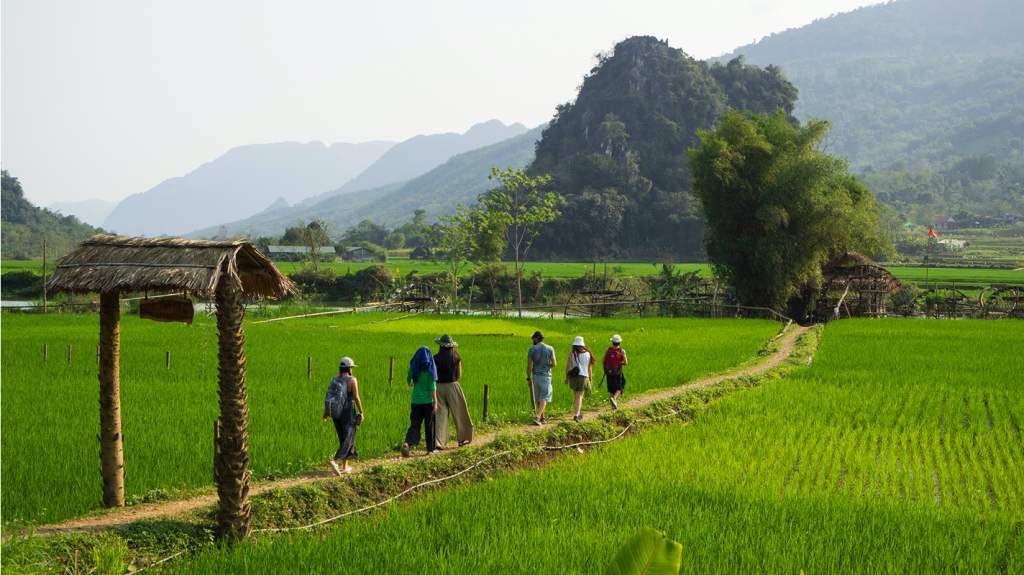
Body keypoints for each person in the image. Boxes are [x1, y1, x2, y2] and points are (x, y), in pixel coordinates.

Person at [322, 357, 364, 475]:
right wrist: (361, 412)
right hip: (348, 412)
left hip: (336, 412)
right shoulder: (352, 380)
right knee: (349, 438)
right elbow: (356, 397)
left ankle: (345, 466)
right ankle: (336, 461)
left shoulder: (335, 379)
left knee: (343, 438)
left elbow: (331, 396)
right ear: (349, 368)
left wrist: (326, 412)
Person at [433, 334, 474, 448]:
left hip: (438, 387)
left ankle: (438, 442)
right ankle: (463, 439)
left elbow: (433, 375)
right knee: (459, 412)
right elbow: (459, 375)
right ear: (451, 346)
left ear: (441, 346)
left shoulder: (435, 358)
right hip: (452, 386)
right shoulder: (457, 358)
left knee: (440, 415)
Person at [401, 346, 438, 457]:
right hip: (428, 401)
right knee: (429, 425)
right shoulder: (430, 368)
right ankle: (430, 450)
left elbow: (408, 379)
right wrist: (435, 402)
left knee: (415, 423)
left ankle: (407, 443)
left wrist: (411, 382)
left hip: (416, 401)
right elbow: (432, 387)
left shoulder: (413, 367)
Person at [526, 330, 556, 425]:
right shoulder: (550, 348)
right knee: (544, 397)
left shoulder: (531, 350)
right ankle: (538, 417)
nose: (533, 340)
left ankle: (542, 418)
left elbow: (529, 366)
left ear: (536, 339)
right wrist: (546, 366)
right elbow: (554, 364)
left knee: (538, 397)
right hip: (546, 376)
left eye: (533, 338)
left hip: (535, 376)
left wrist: (528, 378)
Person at [564, 336, 595, 422]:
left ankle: (578, 412)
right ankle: (576, 414)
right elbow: (589, 368)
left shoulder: (571, 352)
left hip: (573, 377)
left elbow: (568, 366)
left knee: (577, 396)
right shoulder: (588, 353)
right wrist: (590, 379)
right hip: (583, 376)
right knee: (579, 396)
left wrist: (566, 377)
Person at [603, 334, 629, 409]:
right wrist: (620, 363)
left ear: (612, 342)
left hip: (609, 371)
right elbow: (626, 363)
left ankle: (613, 406)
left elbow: (603, 360)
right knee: (621, 385)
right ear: (619, 342)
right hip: (617, 372)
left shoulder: (608, 350)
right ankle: (614, 398)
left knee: (611, 387)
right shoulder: (621, 351)